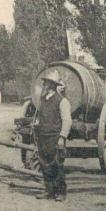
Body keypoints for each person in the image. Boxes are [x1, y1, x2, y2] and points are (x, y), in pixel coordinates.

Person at [33, 70, 73, 201]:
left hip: (55, 137)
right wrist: (37, 124)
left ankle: (61, 192)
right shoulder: (43, 100)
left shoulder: (62, 101)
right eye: (44, 82)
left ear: (52, 85)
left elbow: (67, 121)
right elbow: (42, 116)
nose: (44, 84)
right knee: (45, 165)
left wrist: (62, 137)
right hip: (43, 136)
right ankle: (49, 191)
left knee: (57, 165)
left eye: (46, 83)